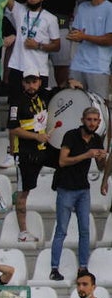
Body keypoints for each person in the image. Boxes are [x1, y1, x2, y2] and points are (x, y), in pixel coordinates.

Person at [53, 108, 105, 282]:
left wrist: (102, 157)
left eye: (95, 120)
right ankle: (54, 268)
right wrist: (87, 155)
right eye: (89, 119)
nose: (92, 123)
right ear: (83, 119)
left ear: (99, 122)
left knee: (85, 230)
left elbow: (101, 166)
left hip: (83, 189)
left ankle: (83, 267)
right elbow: (62, 161)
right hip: (66, 187)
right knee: (61, 230)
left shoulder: (97, 139)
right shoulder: (71, 135)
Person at [9, 74, 50, 243]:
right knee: (23, 193)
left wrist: (71, 83)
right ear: (23, 83)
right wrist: (35, 137)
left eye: (34, 81)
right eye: (28, 82)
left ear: (40, 82)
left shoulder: (45, 96)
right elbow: (13, 129)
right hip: (25, 153)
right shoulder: (16, 101)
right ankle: (23, 231)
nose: (31, 85)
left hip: (43, 150)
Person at [5, 0, 58, 93]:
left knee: (38, 107)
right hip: (18, 67)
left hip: (39, 70)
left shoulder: (50, 18)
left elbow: (57, 45)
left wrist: (38, 45)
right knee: (15, 105)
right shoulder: (19, 10)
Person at [67, 0, 112, 100]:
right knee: (75, 103)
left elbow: (109, 40)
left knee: (99, 106)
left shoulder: (109, 9)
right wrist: (74, 35)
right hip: (77, 65)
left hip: (98, 67)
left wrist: (84, 36)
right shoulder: (82, 7)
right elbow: (77, 32)